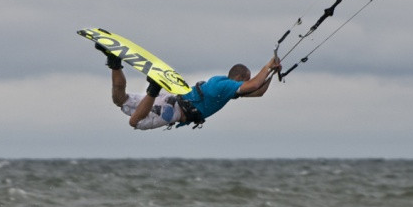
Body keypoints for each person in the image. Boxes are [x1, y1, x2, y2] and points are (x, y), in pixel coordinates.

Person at [95, 44, 281, 130]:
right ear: (239, 78)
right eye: (244, 81)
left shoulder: (221, 87)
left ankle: (115, 63)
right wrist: (268, 66)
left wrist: (272, 73)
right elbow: (255, 84)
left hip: (173, 97)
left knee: (121, 100)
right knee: (135, 122)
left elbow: (258, 92)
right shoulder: (227, 87)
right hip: (173, 111)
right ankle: (153, 89)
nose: (245, 85)